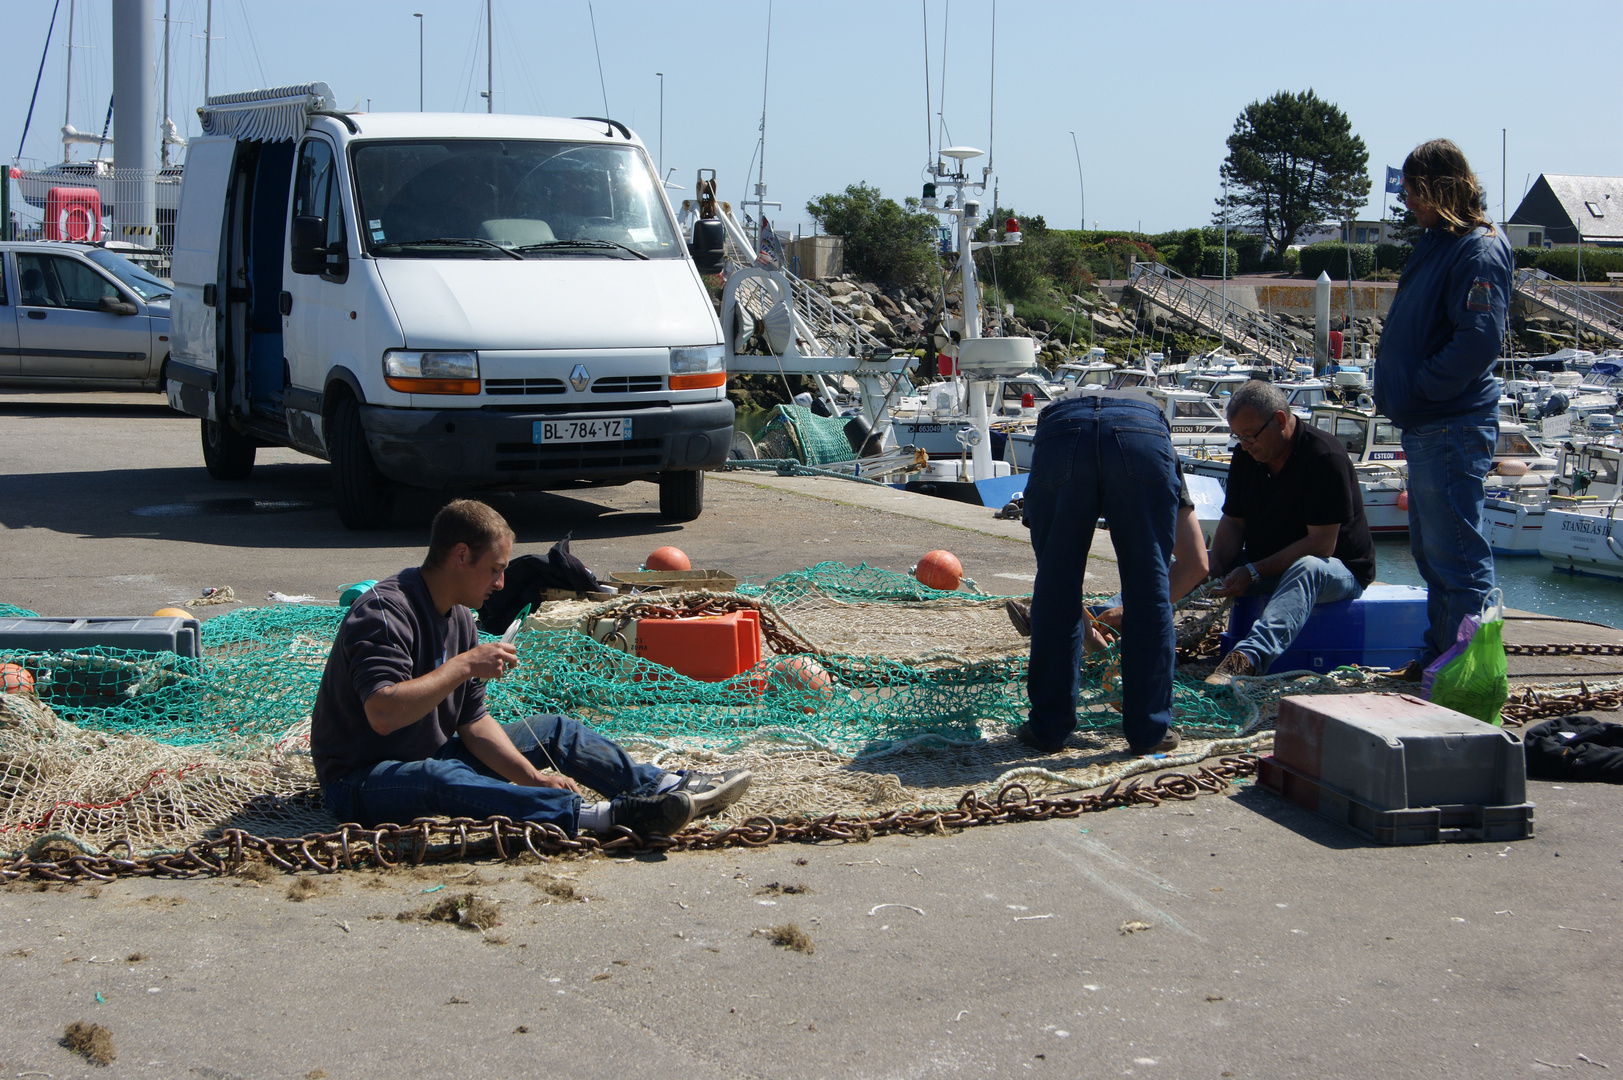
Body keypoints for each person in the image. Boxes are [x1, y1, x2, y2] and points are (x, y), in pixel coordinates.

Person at [311, 499, 751, 837]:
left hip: (433, 754)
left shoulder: (462, 618)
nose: (501, 584)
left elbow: (473, 722)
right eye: (495, 570)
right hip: (361, 779)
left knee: (556, 731)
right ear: (460, 555)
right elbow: (383, 714)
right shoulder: (385, 611)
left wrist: (532, 776)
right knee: (442, 777)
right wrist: (466, 665)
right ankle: (599, 818)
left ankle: (660, 786)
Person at [1375, 139, 1513, 673]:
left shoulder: (1477, 248)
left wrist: (1418, 388)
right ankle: (1441, 655)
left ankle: (1466, 668)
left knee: (1457, 553)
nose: (1406, 200)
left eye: (1412, 190)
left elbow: (1477, 341)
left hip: (1449, 422)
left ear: (1438, 188)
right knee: (1434, 555)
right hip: (1429, 423)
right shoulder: (1441, 241)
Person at [1014, 386, 1183, 756]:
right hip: (1143, 434)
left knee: (1056, 588)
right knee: (1149, 591)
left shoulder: (1063, 409)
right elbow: (1188, 559)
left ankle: (1048, 728)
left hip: (1062, 430)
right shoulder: (1151, 421)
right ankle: (1150, 731)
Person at [1206, 380, 1376, 684]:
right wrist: (1212, 569)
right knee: (1196, 561)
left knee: (1307, 568)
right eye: (1238, 436)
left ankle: (1248, 659)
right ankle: (1117, 616)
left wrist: (1253, 571)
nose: (1244, 444)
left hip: (1336, 569)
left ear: (1280, 420)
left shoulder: (1324, 457)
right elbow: (1234, 521)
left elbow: (1321, 545)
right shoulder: (1246, 456)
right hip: (1266, 563)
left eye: (1249, 435)